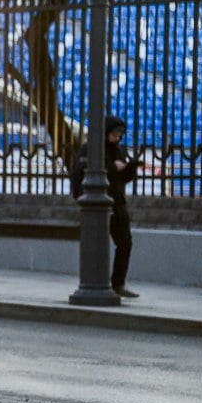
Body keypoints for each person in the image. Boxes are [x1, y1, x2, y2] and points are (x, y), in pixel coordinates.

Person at [71, 115, 140, 298]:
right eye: (114, 134)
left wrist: (129, 169)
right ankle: (96, 282)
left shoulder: (118, 151)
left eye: (120, 135)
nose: (117, 138)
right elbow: (82, 174)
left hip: (116, 202)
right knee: (98, 246)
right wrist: (112, 168)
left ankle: (118, 283)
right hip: (97, 204)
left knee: (125, 243)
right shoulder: (90, 150)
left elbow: (121, 178)